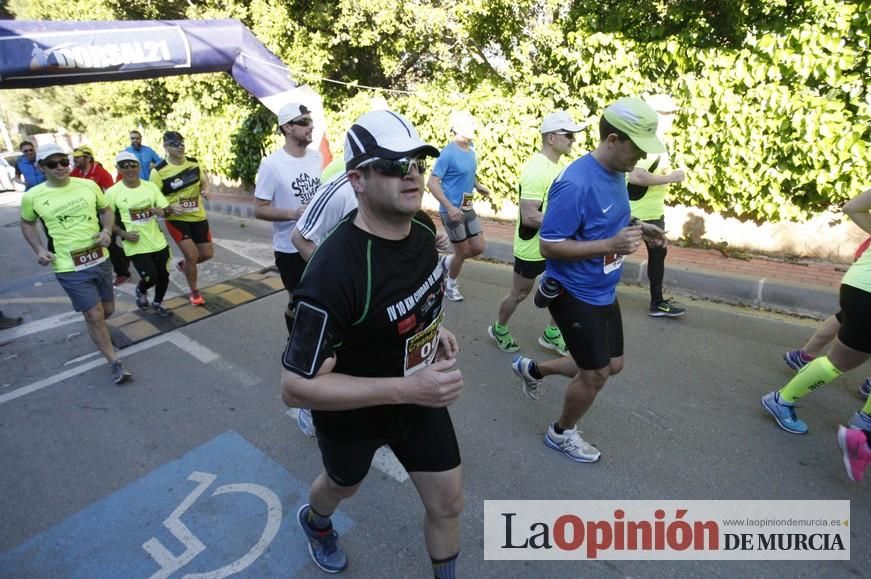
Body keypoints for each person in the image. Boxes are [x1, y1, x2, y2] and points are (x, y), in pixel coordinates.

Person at [281, 110, 463, 577]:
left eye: (418, 163)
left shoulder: (422, 229)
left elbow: (414, 294)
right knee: (343, 486)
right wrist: (407, 389)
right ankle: (317, 523)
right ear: (357, 179)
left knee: (448, 503)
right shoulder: (330, 274)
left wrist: (433, 329)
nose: (412, 175)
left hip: (416, 397)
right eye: (393, 165)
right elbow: (296, 389)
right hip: (354, 414)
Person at [510, 97, 666, 463]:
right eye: (637, 148)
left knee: (613, 364)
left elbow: (606, 221)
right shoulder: (575, 184)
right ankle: (560, 432)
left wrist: (641, 228)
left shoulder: (617, 173)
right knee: (596, 374)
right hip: (573, 292)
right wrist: (610, 245)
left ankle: (532, 369)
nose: (640, 158)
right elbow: (549, 245)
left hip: (602, 288)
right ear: (613, 140)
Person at [757, 189, 871, 481]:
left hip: (859, 284)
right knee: (839, 362)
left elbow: (855, 207)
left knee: (840, 360)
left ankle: (865, 425)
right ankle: (782, 399)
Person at [20, 143, 132, 384]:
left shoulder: (88, 185)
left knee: (106, 311)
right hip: (68, 266)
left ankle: (95, 326)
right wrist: (39, 249)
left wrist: (106, 230)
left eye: (64, 162)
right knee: (94, 314)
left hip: (99, 258)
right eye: (53, 164)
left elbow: (106, 209)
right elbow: (27, 223)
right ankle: (114, 362)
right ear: (42, 168)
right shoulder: (33, 196)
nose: (60, 167)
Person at [488, 111, 581, 357]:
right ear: (551, 138)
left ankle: (552, 333)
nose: (573, 140)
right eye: (568, 135)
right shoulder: (536, 170)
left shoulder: (557, 167)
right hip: (531, 246)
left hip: (553, 244)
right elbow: (530, 215)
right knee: (519, 293)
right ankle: (499, 328)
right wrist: (566, 228)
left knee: (559, 289)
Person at [782, 236, 871, 399]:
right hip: (866, 288)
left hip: (858, 279)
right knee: (837, 362)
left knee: (844, 317)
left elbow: (852, 209)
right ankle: (782, 400)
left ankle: (804, 356)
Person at [626, 93, 687, 317]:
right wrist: (671, 177)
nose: (672, 117)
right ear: (654, 115)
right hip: (633, 212)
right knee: (611, 253)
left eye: (672, 113)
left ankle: (657, 302)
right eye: (667, 113)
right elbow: (636, 177)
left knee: (658, 252)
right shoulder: (646, 143)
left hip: (652, 212)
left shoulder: (659, 143)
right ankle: (583, 292)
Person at [254, 102, 322, 297]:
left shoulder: (317, 157)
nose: (311, 126)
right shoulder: (271, 165)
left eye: (311, 121)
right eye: (304, 122)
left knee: (324, 297)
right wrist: (295, 213)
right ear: (287, 127)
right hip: (289, 249)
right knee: (299, 301)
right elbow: (259, 209)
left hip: (319, 242)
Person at [427, 110, 492, 302]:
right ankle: (450, 285)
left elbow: (468, 174)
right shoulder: (448, 153)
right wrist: (448, 206)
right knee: (462, 251)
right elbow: (431, 183)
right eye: (468, 124)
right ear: (457, 128)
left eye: (473, 123)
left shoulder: (472, 149)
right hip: (452, 211)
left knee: (478, 247)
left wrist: (478, 186)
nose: (473, 127)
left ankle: (446, 261)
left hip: (467, 206)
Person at [149, 131, 213, 306]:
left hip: (198, 216)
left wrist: (206, 190)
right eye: (175, 144)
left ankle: (185, 266)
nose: (180, 146)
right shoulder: (159, 171)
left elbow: (204, 182)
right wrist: (167, 208)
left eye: (182, 142)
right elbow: (152, 198)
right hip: (176, 219)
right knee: (192, 255)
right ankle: (194, 292)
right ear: (166, 147)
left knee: (207, 254)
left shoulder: (193, 163)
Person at [106, 152, 172, 316]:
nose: (129, 169)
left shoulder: (150, 186)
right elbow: (107, 221)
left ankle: (158, 303)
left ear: (139, 166)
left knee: (163, 275)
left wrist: (161, 211)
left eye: (133, 165)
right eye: (124, 166)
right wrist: (123, 234)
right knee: (151, 277)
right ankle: (141, 289)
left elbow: (168, 210)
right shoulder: (113, 193)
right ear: (118, 169)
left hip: (157, 241)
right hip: (135, 244)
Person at [70, 145, 131, 286]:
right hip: (87, 216)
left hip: (105, 213)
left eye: (78, 157)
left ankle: (123, 273)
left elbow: (112, 193)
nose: (75, 160)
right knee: (100, 244)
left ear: (88, 158)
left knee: (108, 243)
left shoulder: (101, 173)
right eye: (74, 157)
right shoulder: (74, 174)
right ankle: (124, 257)